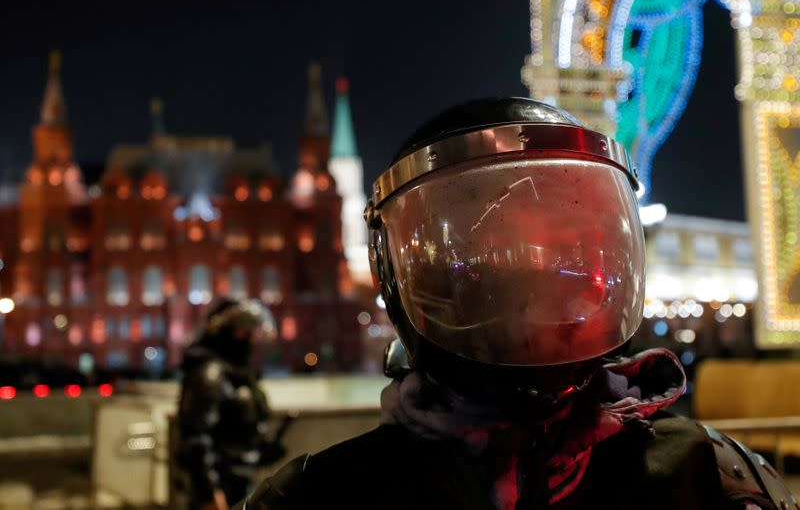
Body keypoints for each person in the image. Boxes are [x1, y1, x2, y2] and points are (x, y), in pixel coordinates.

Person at [236, 98, 796, 509]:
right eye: (494, 257)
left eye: (556, 251)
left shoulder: (708, 474)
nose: (534, 283)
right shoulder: (706, 473)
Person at [177, 298, 286, 510]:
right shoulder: (210, 373)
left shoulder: (237, 373)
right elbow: (195, 439)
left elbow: (238, 426)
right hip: (221, 492)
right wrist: (209, 495)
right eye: (243, 333)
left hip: (240, 485)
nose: (249, 340)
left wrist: (262, 448)